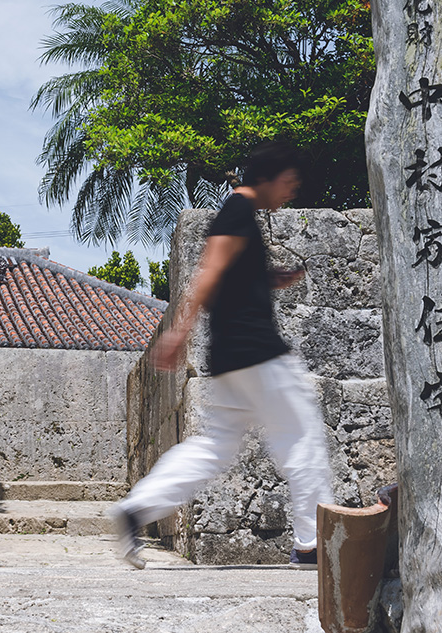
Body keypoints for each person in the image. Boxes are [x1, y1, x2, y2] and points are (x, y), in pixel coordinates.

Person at [110, 142, 334, 569]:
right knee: (303, 439)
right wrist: (177, 334)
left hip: (232, 357)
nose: (291, 192)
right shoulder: (236, 212)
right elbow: (210, 271)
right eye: (289, 183)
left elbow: (232, 278)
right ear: (267, 177)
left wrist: (268, 280)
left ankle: (136, 509)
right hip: (260, 354)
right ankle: (311, 545)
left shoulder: (243, 216)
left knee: (215, 447)